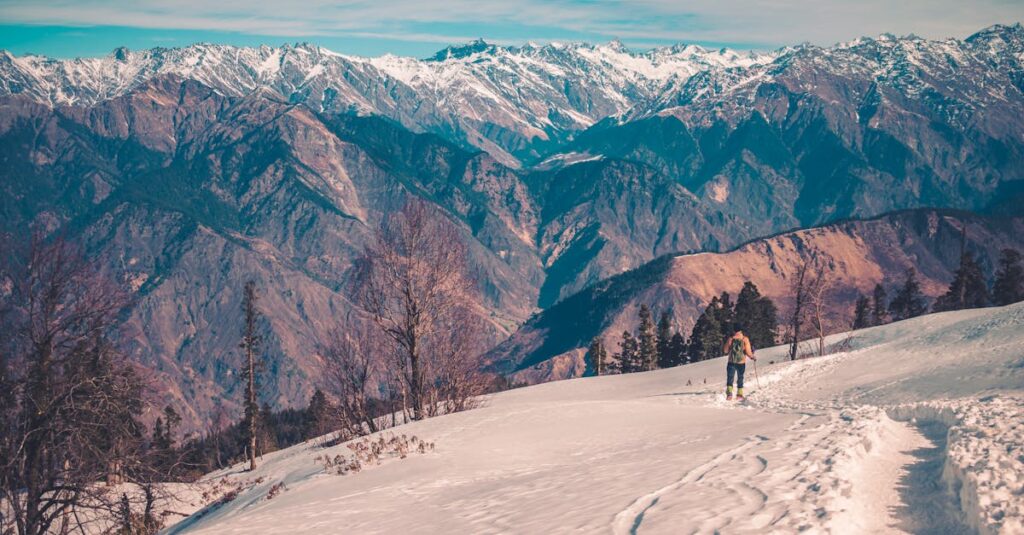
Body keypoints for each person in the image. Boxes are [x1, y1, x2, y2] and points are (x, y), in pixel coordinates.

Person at [722, 325, 755, 401]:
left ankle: (729, 394)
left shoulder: (730, 339)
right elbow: (748, 352)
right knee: (740, 377)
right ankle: (739, 394)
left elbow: (725, 351)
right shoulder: (745, 339)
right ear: (741, 330)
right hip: (741, 362)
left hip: (731, 362)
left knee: (730, 378)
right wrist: (752, 357)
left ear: (734, 330)